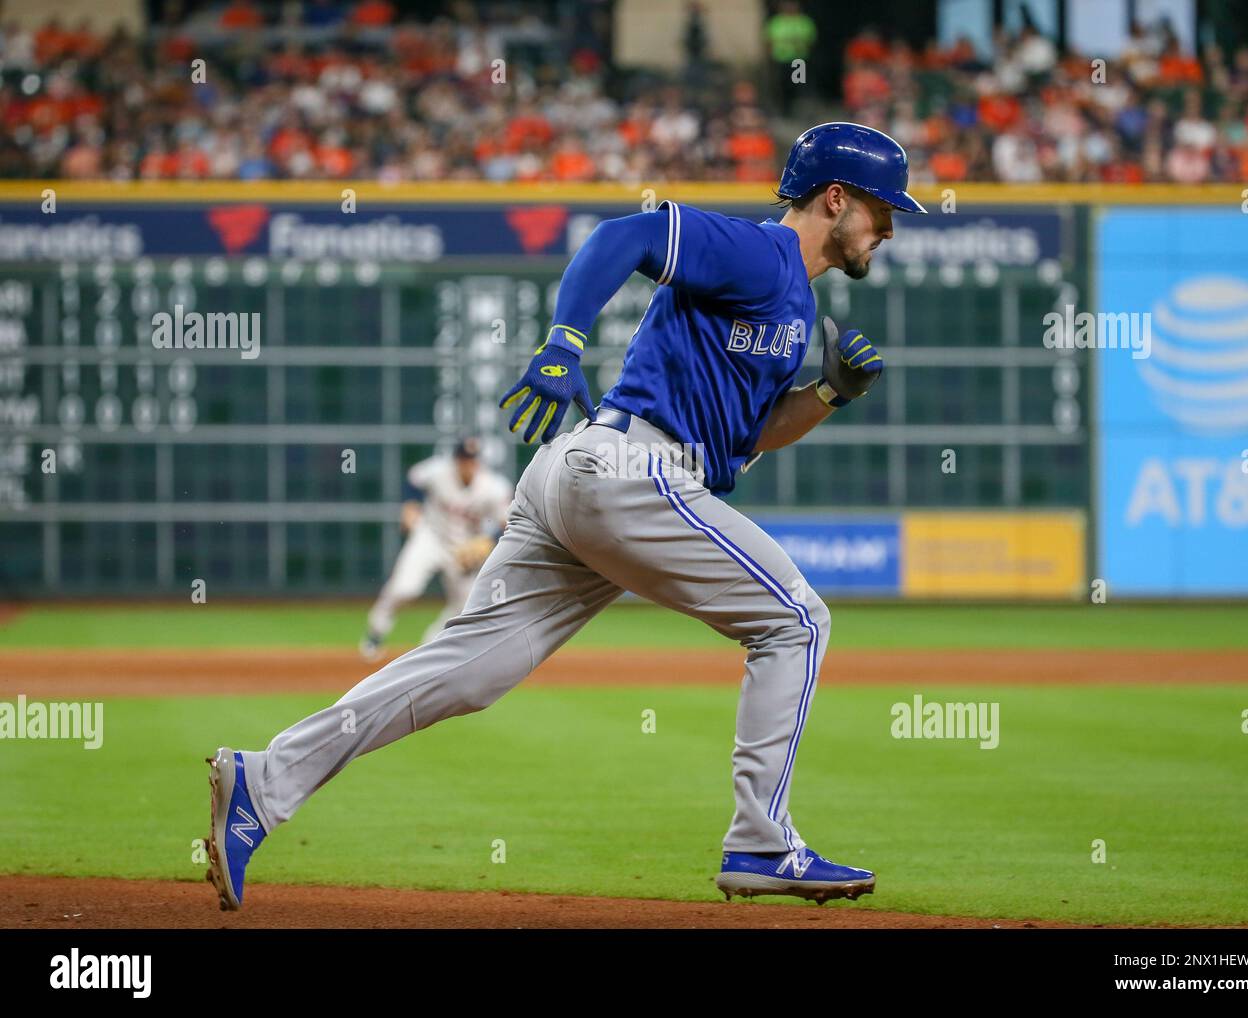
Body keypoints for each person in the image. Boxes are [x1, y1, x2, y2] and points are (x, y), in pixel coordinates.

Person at [205, 122, 925, 911]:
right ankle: (760, 839)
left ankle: (264, 780)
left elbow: (748, 439)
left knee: (468, 673)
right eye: (881, 209)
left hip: (596, 476)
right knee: (796, 621)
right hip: (627, 469)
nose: (887, 227)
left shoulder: (794, 307)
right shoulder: (763, 253)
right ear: (834, 198)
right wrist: (562, 342)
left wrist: (826, 397)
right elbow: (625, 236)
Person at [359, 437, 512, 660]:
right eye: (464, 459)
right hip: (430, 536)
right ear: (456, 460)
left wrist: (489, 542)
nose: (468, 464)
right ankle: (376, 631)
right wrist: (410, 506)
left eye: (472, 460)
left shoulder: (494, 487)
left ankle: (428, 646)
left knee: (465, 606)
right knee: (405, 588)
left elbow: (507, 522)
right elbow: (413, 480)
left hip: (464, 549)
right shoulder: (438, 471)